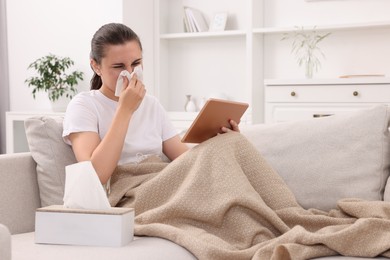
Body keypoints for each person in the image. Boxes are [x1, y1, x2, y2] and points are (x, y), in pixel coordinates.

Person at [62, 22, 239, 185]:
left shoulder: (152, 105)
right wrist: (125, 110)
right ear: (96, 66)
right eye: (118, 67)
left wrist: (219, 143)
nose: (130, 73)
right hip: (128, 192)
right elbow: (95, 175)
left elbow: (185, 161)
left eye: (136, 63)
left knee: (237, 157)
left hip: (162, 180)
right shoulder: (84, 105)